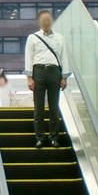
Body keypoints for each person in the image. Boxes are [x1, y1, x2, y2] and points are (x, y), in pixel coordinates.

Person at [25, 9, 69, 148]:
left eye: (48, 19)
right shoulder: (32, 38)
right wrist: (29, 78)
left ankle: (54, 137)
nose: (46, 21)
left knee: (54, 106)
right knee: (38, 107)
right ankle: (40, 137)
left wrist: (64, 77)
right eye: (43, 19)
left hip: (54, 72)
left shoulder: (60, 38)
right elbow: (28, 57)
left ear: (52, 21)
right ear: (39, 21)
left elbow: (64, 57)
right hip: (38, 72)